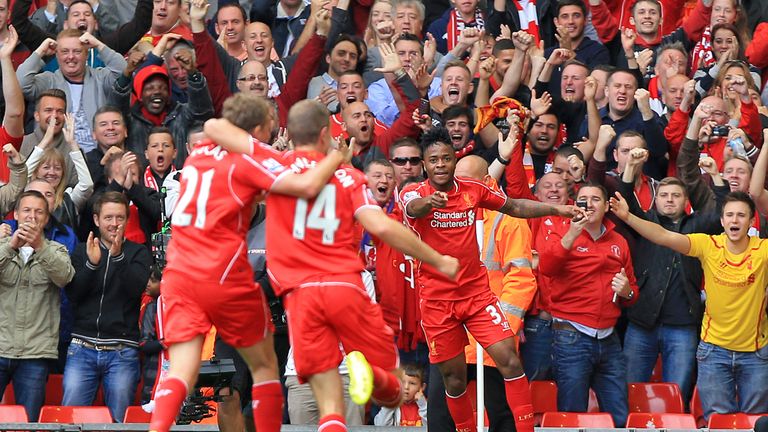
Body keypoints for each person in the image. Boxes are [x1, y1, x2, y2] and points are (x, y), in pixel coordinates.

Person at [206, 99, 460, 432]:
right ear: (326, 134)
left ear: (291, 134)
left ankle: (368, 377)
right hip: (346, 288)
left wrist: (260, 135)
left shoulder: (275, 166)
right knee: (393, 393)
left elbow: (213, 128)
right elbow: (381, 227)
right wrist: (438, 259)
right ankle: (377, 376)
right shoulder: (348, 176)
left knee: (329, 405)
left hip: (302, 298)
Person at [147, 93, 352, 432]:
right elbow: (305, 184)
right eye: (269, 128)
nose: (271, 135)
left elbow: (217, 128)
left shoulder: (199, 154)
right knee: (265, 367)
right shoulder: (247, 160)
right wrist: (338, 158)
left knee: (181, 371)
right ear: (257, 128)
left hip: (180, 272)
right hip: (221, 272)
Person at [400, 127, 581, 432]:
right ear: (426, 165)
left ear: (454, 159)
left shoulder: (472, 189)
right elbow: (412, 208)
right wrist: (430, 204)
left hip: (477, 297)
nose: (441, 164)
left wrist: (557, 208)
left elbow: (514, 206)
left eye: (446, 158)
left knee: (509, 360)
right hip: (437, 302)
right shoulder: (414, 193)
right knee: (454, 380)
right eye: (434, 160)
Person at [611, 188, 768, 419]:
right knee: (717, 422)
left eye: (742, 215)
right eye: (730, 215)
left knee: (756, 422)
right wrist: (627, 217)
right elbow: (662, 236)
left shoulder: (763, 251)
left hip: (755, 352)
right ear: (722, 220)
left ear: (751, 221)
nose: (735, 220)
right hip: (714, 351)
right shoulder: (708, 245)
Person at [538, 183, 638, 427]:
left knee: (620, 417)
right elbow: (547, 268)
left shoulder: (619, 241)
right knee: (572, 415)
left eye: (595, 199)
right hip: (571, 336)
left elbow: (632, 292)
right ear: (575, 205)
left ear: (606, 207)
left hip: (609, 338)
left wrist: (627, 292)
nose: (589, 204)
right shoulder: (562, 231)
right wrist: (572, 234)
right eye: (583, 199)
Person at [65, 191, 151, 422]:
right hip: (82, 347)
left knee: (120, 422)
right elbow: (73, 295)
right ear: (96, 220)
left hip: (122, 350)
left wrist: (119, 256)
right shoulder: (82, 250)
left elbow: (136, 290)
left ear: (127, 220)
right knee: (70, 420)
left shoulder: (139, 252)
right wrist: (92, 265)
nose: (114, 224)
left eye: (120, 218)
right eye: (108, 218)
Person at [0, 190, 75, 423]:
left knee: (29, 423)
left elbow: (65, 277)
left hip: (36, 353)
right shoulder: (2, 244)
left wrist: (40, 245)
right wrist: (11, 244)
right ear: (16, 214)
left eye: (39, 212)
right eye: (27, 210)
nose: (32, 216)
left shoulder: (57, 249)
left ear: (46, 218)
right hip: (0, 346)